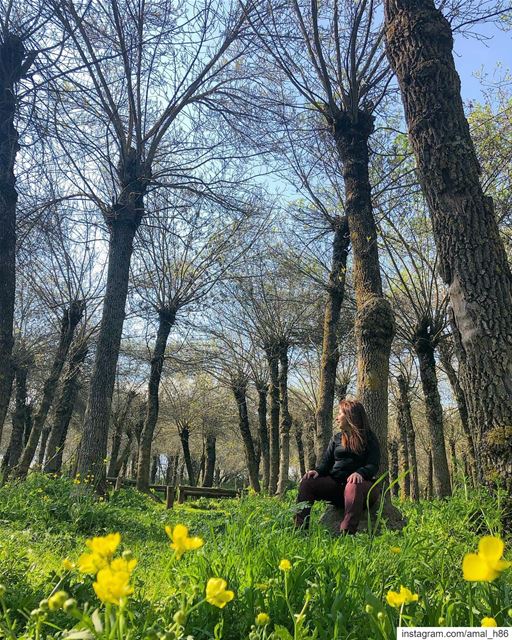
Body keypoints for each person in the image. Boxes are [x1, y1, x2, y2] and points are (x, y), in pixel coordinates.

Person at [295, 399, 380, 534]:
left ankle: (346, 533)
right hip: (337, 487)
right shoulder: (337, 438)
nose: (336, 418)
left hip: (361, 490)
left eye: (339, 414)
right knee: (307, 482)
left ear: (350, 416)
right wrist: (316, 471)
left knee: (353, 484)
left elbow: (373, 465)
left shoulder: (369, 438)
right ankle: (299, 530)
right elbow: (326, 463)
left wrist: (360, 473)